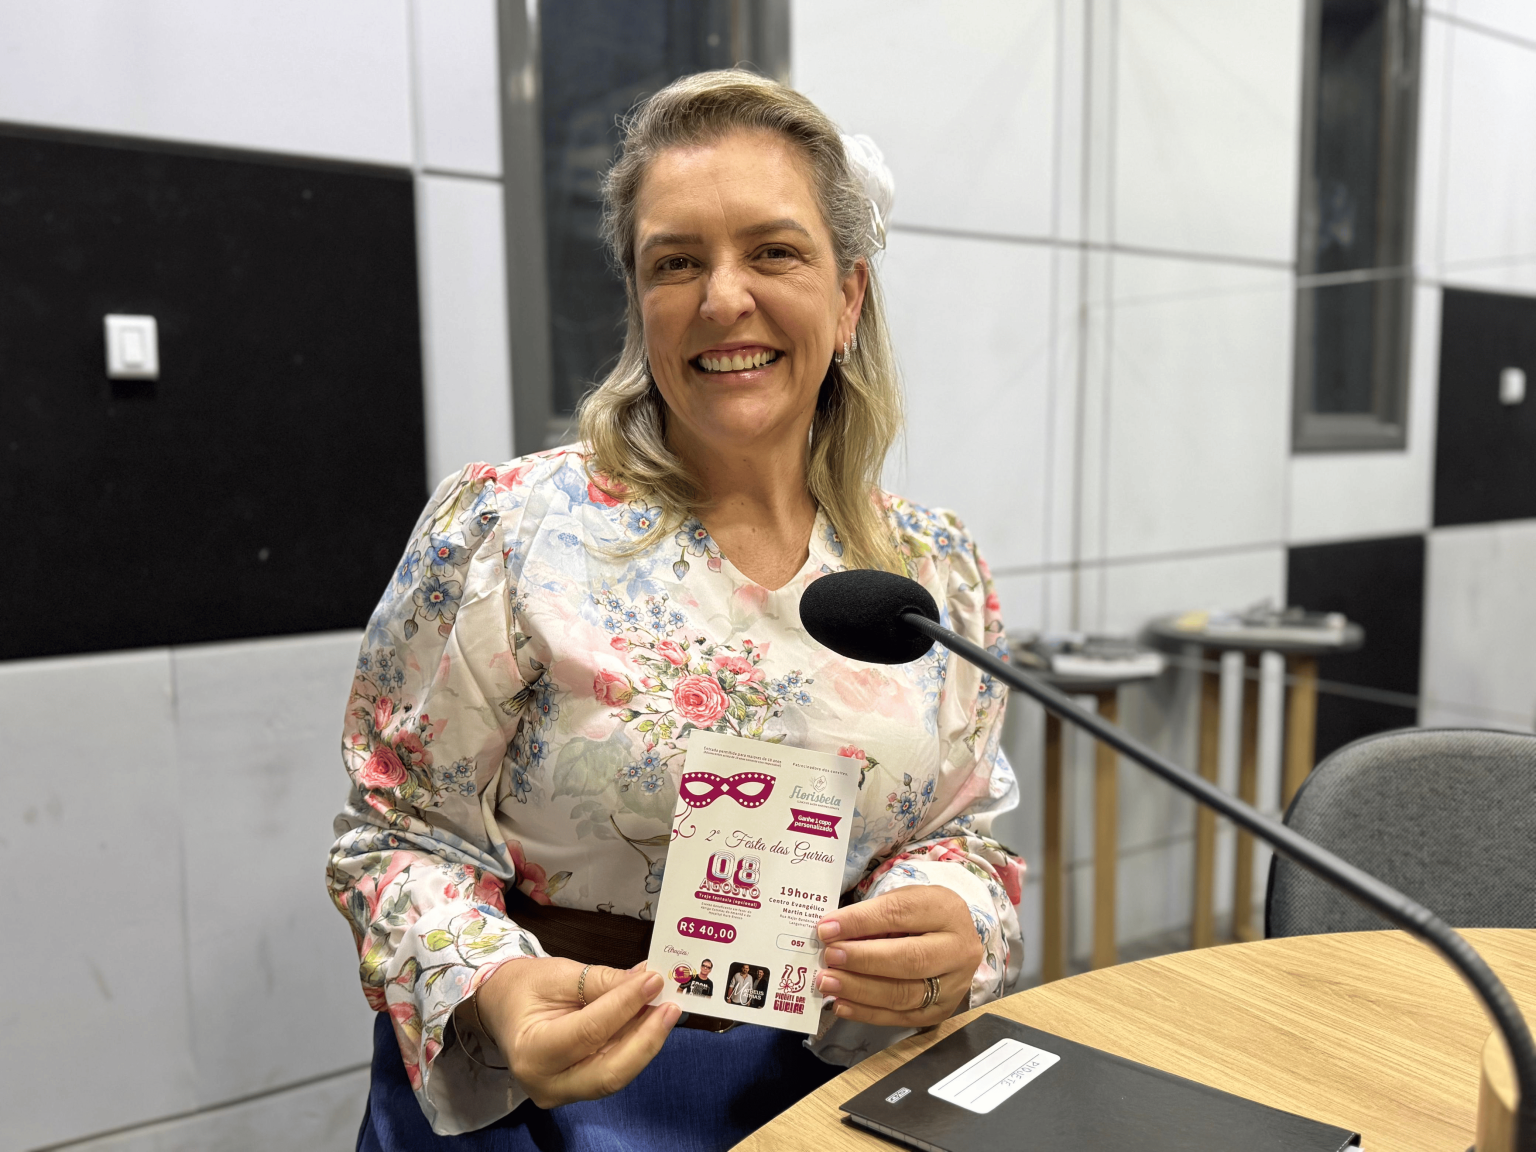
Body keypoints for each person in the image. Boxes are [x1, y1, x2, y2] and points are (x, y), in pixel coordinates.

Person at [330, 68, 1026, 1151]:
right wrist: (493, 988)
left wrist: (958, 928)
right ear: (639, 299)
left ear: (849, 297)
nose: (722, 298)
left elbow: (958, 838)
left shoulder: (930, 571)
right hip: (563, 1094)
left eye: (774, 252)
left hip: (841, 1087)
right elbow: (393, 838)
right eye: (677, 262)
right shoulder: (512, 532)